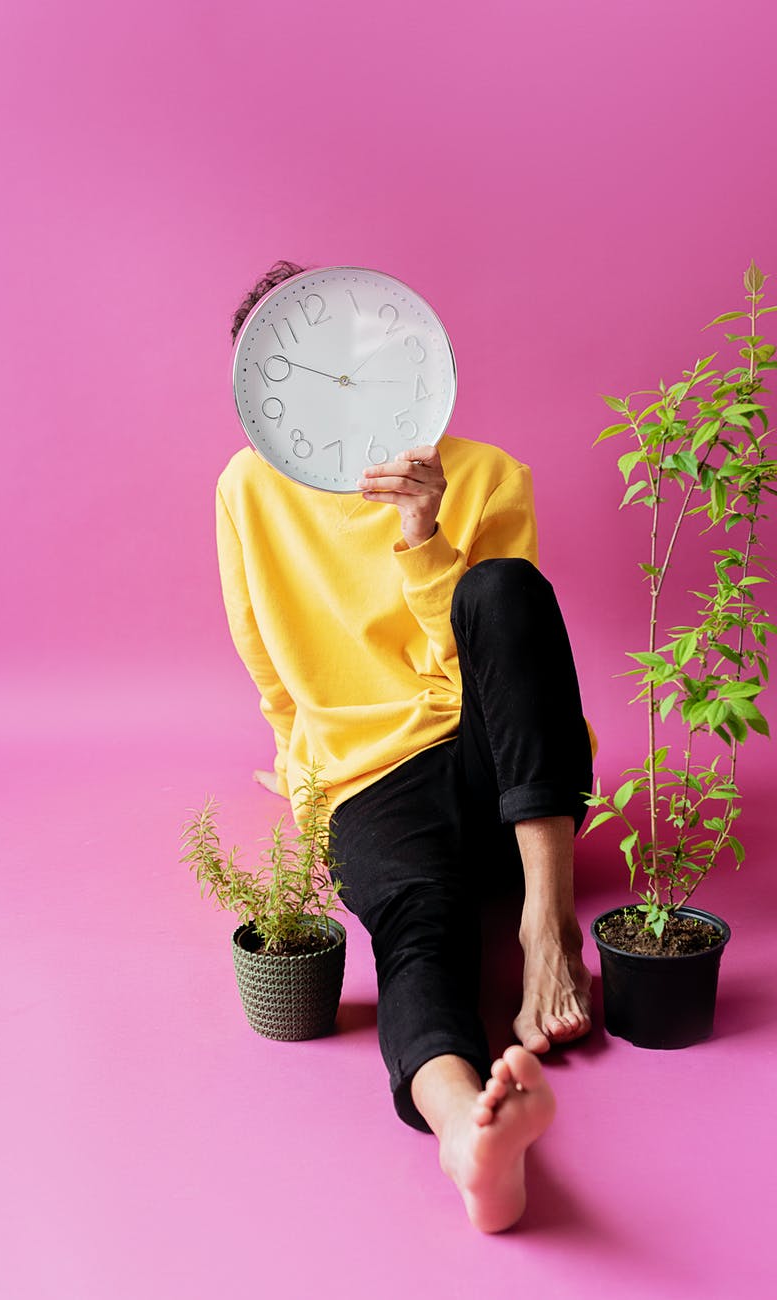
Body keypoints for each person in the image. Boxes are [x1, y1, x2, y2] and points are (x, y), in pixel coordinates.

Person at [216, 260, 595, 1233]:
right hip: (364, 782)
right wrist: (314, 795)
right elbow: (268, 667)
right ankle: (468, 1135)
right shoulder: (248, 492)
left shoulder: (485, 475)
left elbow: (495, 671)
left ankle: (546, 928)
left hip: (491, 756)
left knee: (502, 590)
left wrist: (420, 536)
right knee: (414, 939)